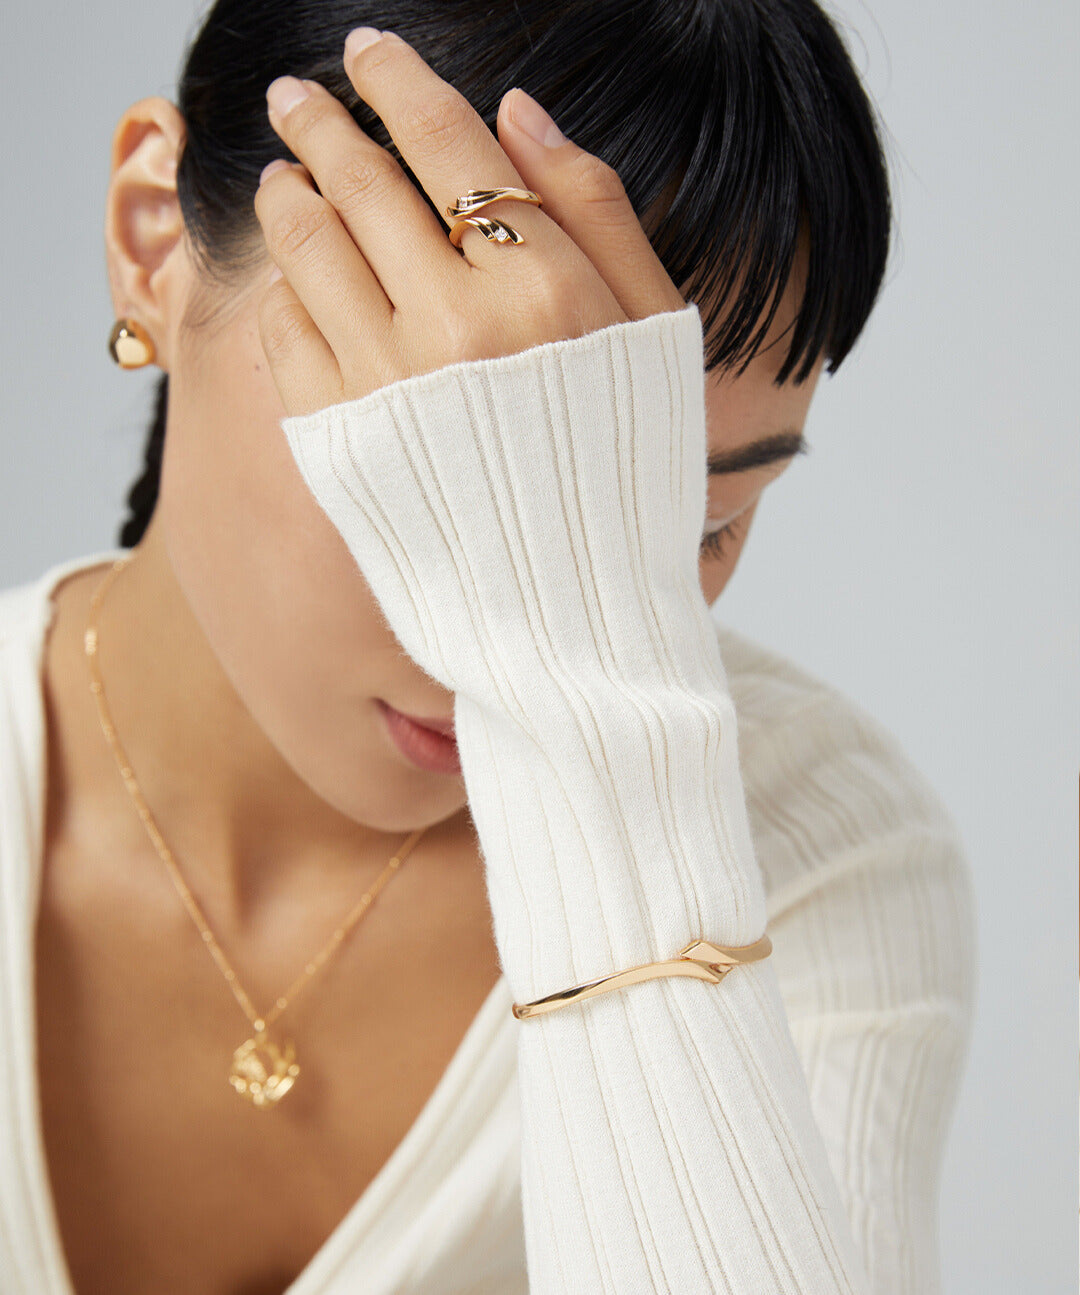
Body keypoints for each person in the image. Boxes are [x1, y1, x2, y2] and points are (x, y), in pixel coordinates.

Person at [0, 2, 977, 1293]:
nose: (493, 634)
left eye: (701, 521)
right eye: (432, 450)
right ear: (155, 244)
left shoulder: (818, 850)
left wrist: (592, 721)